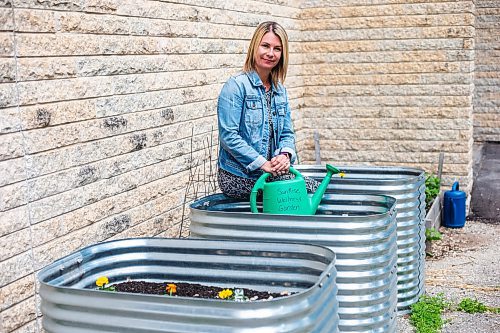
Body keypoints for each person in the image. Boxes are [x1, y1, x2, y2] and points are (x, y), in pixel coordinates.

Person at [217, 21, 319, 200]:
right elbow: (228, 136)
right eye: (265, 46)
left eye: (277, 48)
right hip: (238, 176)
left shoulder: (280, 90)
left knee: (314, 188)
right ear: (255, 47)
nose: (270, 53)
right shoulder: (236, 86)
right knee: (305, 191)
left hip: (269, 173)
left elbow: (287, 132)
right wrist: (262, 164)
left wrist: (285, 155)